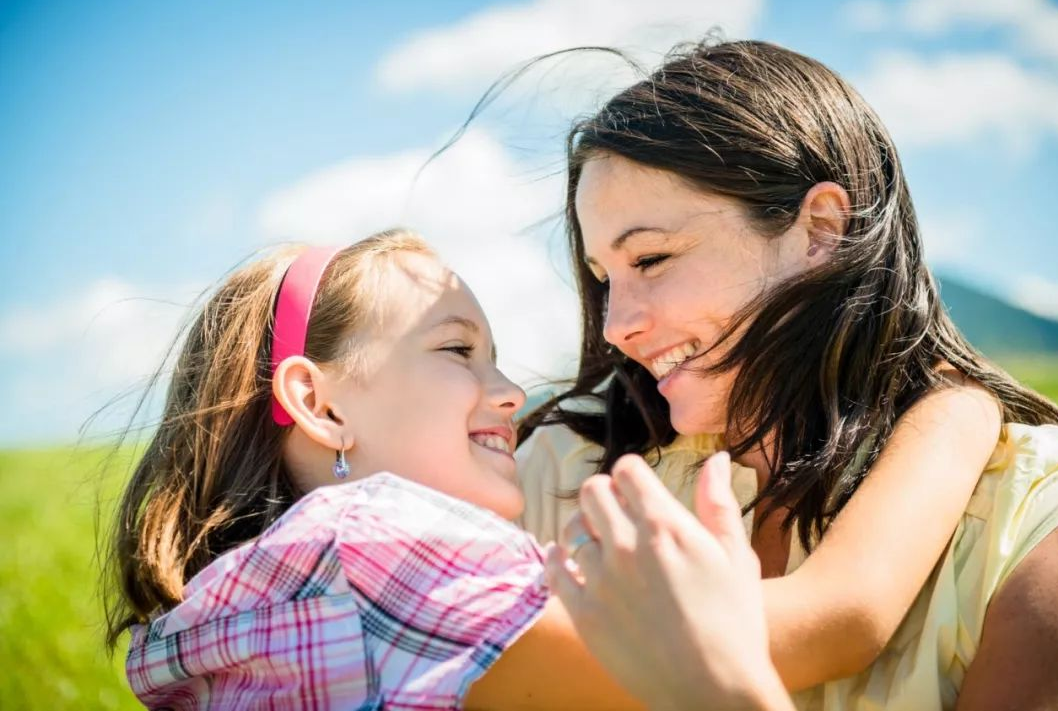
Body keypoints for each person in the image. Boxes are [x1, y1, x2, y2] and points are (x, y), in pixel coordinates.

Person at [515, 38, 1058, 709]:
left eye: (653, 258)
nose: (616, 326)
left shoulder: (1035, 530)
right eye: (604, 278)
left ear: (820, 229)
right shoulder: (567, 468)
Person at [102, 229, 788, 711]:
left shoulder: (249, 606)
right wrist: (903, 442)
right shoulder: (373, 539)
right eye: (458, 350)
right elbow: (741, 647)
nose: (512, 391)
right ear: (321, 403)